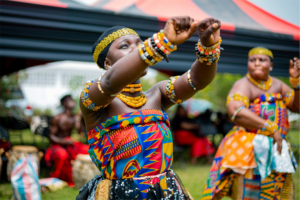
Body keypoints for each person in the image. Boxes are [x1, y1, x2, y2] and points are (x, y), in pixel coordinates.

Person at [77, 16, 222, 200]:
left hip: (166, 192)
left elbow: (196, 80)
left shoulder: (158, 94)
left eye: (139, 43)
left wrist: (208, 47)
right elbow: (109, 82)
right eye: (124, 46)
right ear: (107, 63)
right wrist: (161, 41)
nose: (136, 48)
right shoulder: (94, 98)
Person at [202, 47, 300, 200]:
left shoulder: (279, 85)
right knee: (249, 191)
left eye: (262, 60)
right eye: (252, 60)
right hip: (247, 146)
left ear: (271, 66)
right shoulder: (244, 84)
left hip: (276, 145)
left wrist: (296, 83)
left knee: (277, 191)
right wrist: (270, 127)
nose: (257, 63)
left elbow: (296, 107)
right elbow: (236, 110)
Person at [45, 95, 89, 187]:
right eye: (70, 100)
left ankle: (85, 176)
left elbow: (80, 132)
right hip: (57, 145)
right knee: (62, 155)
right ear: (64, 104)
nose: (73, 102)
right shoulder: (57, 118)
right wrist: (66, 142)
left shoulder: (74, 117)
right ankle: (60, 178)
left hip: (69, 144)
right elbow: (51, 137)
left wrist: (79, 118)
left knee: (87, 149)